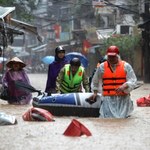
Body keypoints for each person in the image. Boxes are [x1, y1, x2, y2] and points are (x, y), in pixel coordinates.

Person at [91, 45, 137, 118]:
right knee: (108, 120)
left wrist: (124, 86)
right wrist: (95, 92)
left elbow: (133, 80)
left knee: (123, 120)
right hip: (108, 99)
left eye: (113, 56)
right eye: (109, 57)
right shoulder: (102, 67)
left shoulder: (126, 66)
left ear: (117, 56)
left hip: (123, 100)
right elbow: (95, 80)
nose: (111, 58)